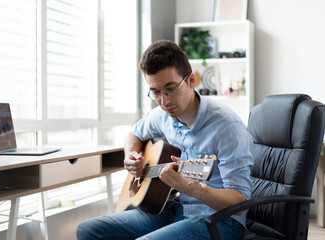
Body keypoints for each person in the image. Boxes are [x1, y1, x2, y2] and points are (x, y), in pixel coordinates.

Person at [76, 40, 253, 240]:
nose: (164, 101)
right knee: (88, 230)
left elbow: (239, 202)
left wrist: (190, 187)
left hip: (221, 220)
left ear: (191, 80)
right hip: (176, 208)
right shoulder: (162, 116)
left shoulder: (227, 127)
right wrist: (131, 155)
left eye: (171, 88)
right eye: (156, 92)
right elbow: (133, 134)